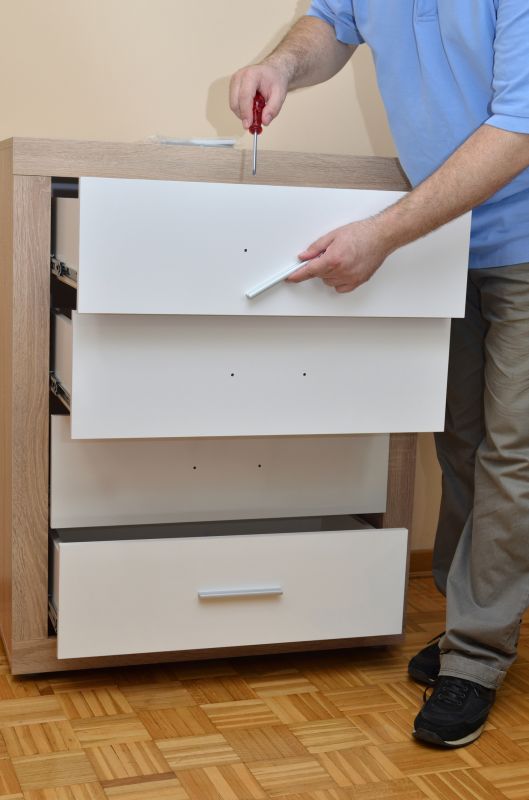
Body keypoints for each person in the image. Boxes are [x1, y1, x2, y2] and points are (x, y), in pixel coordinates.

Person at [230, 1, 529, 749]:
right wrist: (282, 66)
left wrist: (383, 233)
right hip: (449, 232)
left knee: (513, 456)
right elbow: (330, 24)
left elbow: (518, 127)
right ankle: (474, 620)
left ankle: (476, 653)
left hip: (512, 235)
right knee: (459, 442)